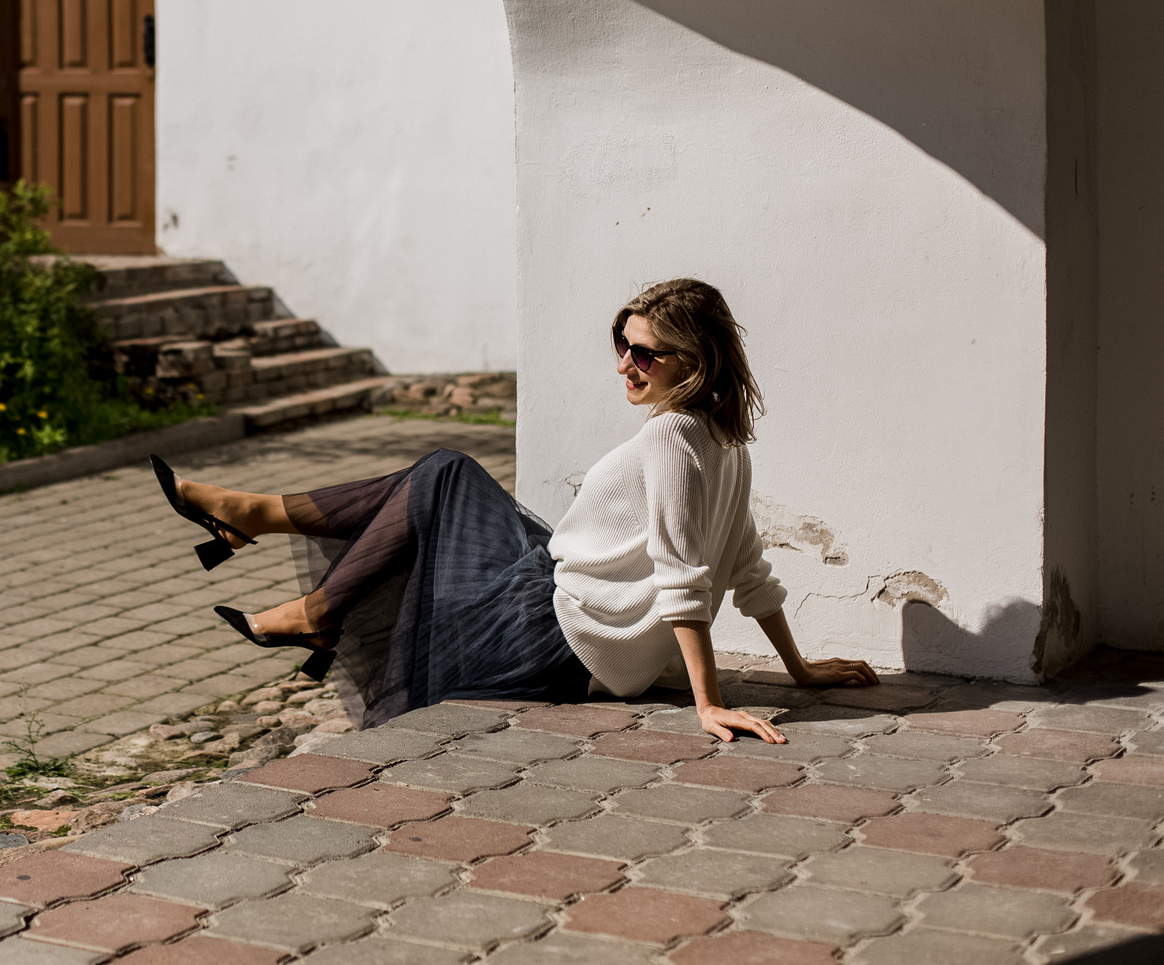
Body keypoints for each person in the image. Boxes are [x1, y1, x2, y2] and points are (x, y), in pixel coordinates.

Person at [151, 278, 878, 741]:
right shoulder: (725, 439)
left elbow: (688, 576)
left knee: (441, 475)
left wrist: (708, 703)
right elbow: (745, 568)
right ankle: (271, 549)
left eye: (645, 356)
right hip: (563, 599)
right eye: (621, 346)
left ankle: (295, 582)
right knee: (443, 475)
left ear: (696, 363)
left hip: (552, 632)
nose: (624, 365)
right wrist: (800, 668)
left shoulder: (671, 437)